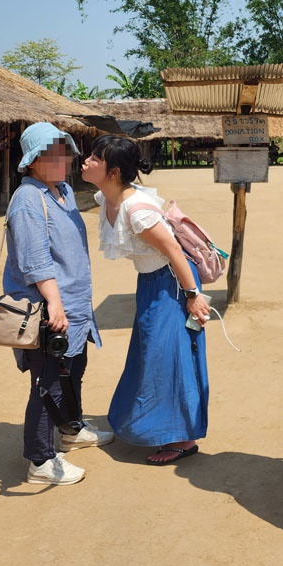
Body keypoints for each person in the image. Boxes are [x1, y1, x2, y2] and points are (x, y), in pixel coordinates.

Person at [81, 134, 212, 465]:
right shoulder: (106, 196)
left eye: (96, 157)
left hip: (172, 284)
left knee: (168, 357)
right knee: (151, 354)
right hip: (151, 282)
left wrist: (193, 297)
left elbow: (174, 252)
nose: (87, 160)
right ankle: (162, 428)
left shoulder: (136, 211)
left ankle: (182, 439)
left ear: (113, 172)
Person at [4, 122, 111, 486]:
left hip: (74, 304)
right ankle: (40, 460)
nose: (61, 159)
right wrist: (54, 304)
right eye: (50, 153)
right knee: (48, 382)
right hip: (50, 307)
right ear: (32, 161)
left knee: (73, 371)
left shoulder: (62, 190)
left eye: (63, 150)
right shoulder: (28, 199)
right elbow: (35, 260)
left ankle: (71, 430)